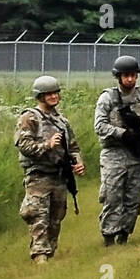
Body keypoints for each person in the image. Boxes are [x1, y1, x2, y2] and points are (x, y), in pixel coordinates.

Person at [15, 76, 85, 264]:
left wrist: (77, 162)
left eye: (56, 93)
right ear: (40, 96)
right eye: (49, 94)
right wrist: (47, 145)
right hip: (39, 176)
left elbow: (73, 147)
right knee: (38, 216)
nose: (54, 97)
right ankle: (40, 257)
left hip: (59, 177)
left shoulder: (61, 120)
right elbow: (24, 145)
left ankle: (50, 253)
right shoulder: (30, 118)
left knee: (56, 218)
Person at [94, 55, 140, 247]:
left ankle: (124, 233)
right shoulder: (108, 98)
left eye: (133, 75)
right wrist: (122, 134)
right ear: (118, 77)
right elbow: (99, 125)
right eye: (126, 76)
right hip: (114, 153)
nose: (130, 79)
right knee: (113, 196)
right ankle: (108, 235)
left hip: (137, 155)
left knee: (134, 197)